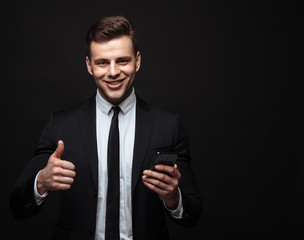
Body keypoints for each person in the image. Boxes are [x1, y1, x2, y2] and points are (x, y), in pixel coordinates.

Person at [10, 16, 201, 240]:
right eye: (102, 62)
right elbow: (18, 207)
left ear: (137, 61)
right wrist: (41, 182)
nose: (112, 72)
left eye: (122, 61)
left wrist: (173, 197)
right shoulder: (61, 125)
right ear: (89, 65)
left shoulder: (168, 126)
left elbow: (193, 214)